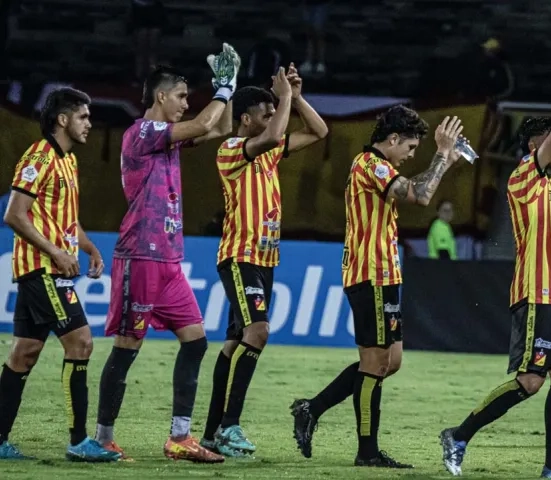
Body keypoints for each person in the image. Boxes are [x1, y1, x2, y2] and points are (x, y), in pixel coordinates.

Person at [439, 50, 551, 480]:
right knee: (530, 381)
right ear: (536, 146)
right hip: (537, 293)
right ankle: (458, 435)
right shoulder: (523, 176)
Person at [290, 106, 468, 468]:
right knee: (374, 362)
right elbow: (419, 195)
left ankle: (312, 408)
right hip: (368, 273)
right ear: (392, 139)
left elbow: (417, 187)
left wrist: (446, 158)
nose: (411, 154)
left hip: (385, 275)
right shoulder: (369, 164)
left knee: (391, 361)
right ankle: (367, 452)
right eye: (410, 147)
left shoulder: (382, 169)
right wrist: (440, 154)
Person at [93, 45, 241, 463]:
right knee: (126, 348)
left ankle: (180, 438)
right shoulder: (141, 133)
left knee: (195, 343)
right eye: (181, 96)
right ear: (161, 96)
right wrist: (224, 89)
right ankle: (102, 439)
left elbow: (218, 128)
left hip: (170, 261)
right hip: (139, 255)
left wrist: (223, 91)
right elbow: (203, 122)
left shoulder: (169, 141)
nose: (186, 104)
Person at [200, 63, 328, 457]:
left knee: (235, 342)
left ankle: (210, 433)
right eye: (266, 112)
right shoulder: (231, 150)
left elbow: (320, 132)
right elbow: (275, 135)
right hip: (240, 257)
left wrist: (297, 95)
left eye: (275, 112)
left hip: (264, 259)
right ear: (245, 119)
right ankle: (230, 426)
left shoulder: (268, 154)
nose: (274, 118)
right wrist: (284, 96)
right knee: (259, 332)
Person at [0, 88, 119, 462]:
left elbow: (65, 219)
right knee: (80, 343)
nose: (89, 124)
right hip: (42, 270)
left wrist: (90, 248)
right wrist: (54, 251)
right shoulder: (39, 156)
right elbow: (14, 214)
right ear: (62, 120)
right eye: (83, 117)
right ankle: (79, 440)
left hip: (49, 267)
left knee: (24, 353)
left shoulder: (67, 160)